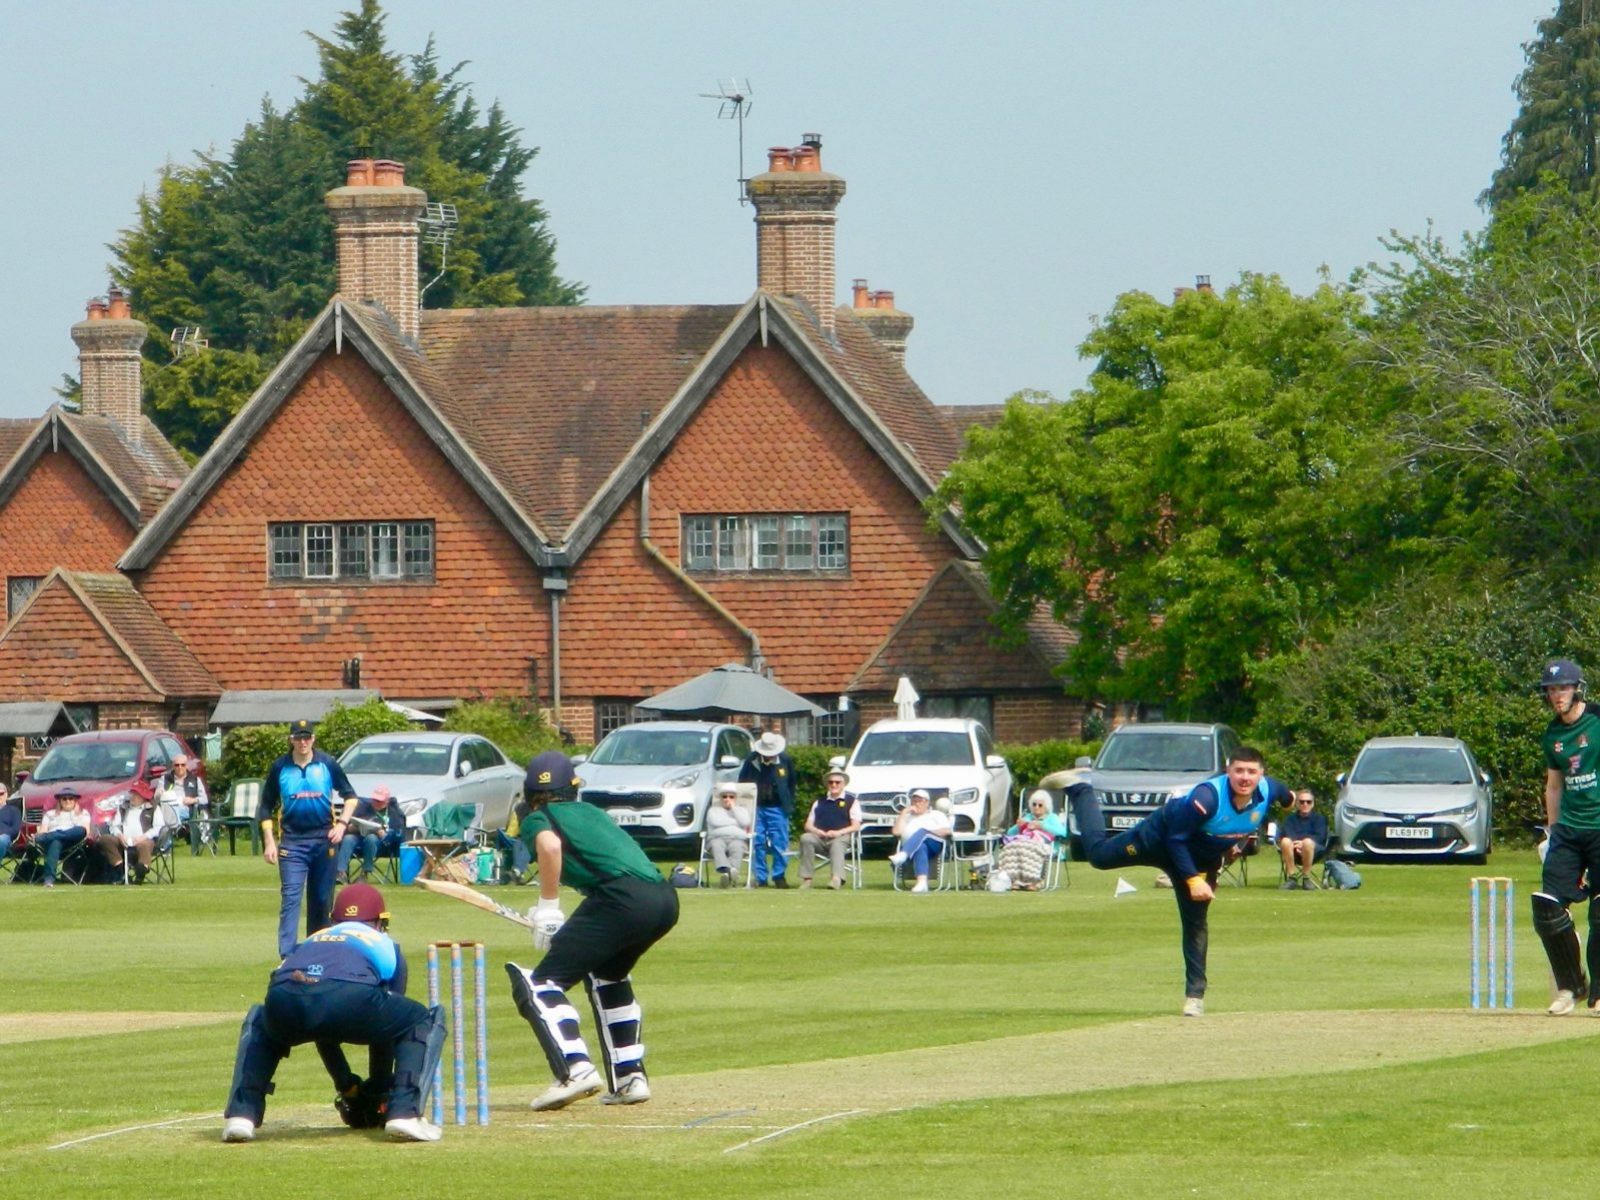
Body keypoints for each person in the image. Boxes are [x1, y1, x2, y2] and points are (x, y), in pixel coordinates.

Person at [507, 750, 679, 1110]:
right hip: (663, 899)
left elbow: (550, 846)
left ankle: (576, 1070)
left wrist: (549, 906)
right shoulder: (590, 813)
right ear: (573, 787)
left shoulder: (539, 818)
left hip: (620, 899)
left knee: (541, 983)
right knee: (606, 976)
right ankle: (630, 1077)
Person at [1067, 746, 1293, 1016]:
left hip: (1197, 857)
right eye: (1239, 771)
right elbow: (1176, 839)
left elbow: (1287, 798)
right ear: (1228, 770)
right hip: (1159, 840)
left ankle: (1194, 997)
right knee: (1099, 857)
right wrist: (1193, 880)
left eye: (1252, 772)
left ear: (1261, 774)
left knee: (1196, 922)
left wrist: (1290, 801)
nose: (1245, 778)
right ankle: (1081, 788)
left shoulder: (1269, 790)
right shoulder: (1207, 797)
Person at [221, 881, 445, 1143]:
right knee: (421, 1019)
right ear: (379, 922)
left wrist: (347, 1086)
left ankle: (241, 1115)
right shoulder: (384, 943)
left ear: (334, 920)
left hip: (285, 995)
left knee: (259, 1019)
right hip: (349, 995)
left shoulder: (311, 941)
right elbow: (387, 1028)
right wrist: (381, 1087)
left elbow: (320, 1026)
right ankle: (405, 1113)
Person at [1531, 658, 1600, 1016]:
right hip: (1569, 830)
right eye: (1552, 690)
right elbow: (1555, 785)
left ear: (1577, 689)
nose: (1557, 696)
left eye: (1563, 688)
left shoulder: (1598, 721)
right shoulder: (1553, 735)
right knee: (1546, 907)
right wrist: (1551, 831)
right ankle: (1571, 985)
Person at [259, 719, 360, 957]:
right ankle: (287, 956)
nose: (302, 742)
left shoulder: (327, 764)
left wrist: (342, 825)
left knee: (322, 899)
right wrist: (269, 841)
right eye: (298, 738)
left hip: (324, 839)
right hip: (292, 842)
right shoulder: (280, 767)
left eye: (307, 737)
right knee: (291, 898)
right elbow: (265, 806)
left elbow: (351, 797)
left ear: (313, 739)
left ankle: (318, 953)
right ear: (291, 740)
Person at [739, 731, 796, 887]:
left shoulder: (785, 760)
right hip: (756, 808)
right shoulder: (751, 761)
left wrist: (788, 802)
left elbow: (791, 783)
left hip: (778, 808)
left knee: (780, 843)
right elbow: (742, 783)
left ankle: (779, 876)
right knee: (757, 843)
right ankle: (761, 877)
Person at [798, 768, 861, 890]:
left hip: (841, 837)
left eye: (837, 782)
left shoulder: (852, 801)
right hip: (820, 837)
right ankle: (807, 879)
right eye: (831, 782)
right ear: (827, 784)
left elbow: (856, 826)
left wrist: (838, 832)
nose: (834, 785)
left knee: (837, 843)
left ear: (843, 784)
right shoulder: (819, 802)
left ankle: (836, 879)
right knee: (806, 838)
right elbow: (808, 825)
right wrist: (817, 831)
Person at [997, 790, 1067, 890]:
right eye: (1034, 804)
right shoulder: (1028, 817)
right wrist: (1018, 826)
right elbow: (1009, 833)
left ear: (1046, 806)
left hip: (1048, 846)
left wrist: (1042, 826)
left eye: (1040, 805)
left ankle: (1033, 881)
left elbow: (1062, 833)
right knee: (1010, 847)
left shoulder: (1052, 818)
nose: (1036, 807)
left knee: (1030, 849)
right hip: (1025, 843)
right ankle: (1015, 879)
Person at [335, 786, 407, 881]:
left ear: (387, 801)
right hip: (359, 839)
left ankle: (365, 873)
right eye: (374, 800)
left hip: (383, 844)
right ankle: (340, 872)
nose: (376, 803)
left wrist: (383, 834)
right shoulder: (362, 807)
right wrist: (351, 828)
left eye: (379, 801)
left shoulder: (394, 812)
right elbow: (347, 826)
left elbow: (397, 833)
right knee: (348, 838)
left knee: (371, 838)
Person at [888, 788, 952, 893]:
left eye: (920, 801)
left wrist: (929, 831)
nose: (916, 803)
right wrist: (904, 813)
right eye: (914, 801)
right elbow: (897, 832)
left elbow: (947, 831)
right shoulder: (907, 817)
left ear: (927, 802)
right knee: (920, 847)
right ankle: (922, 883)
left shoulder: (936, 814)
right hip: (916, 848)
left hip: (934, 844)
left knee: (923, 831)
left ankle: (903, 855)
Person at [99, 791, 171, 882]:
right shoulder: (123, 808)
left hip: (144, 839)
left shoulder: (154, 809)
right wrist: (120, 835)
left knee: (144, 845)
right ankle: (121, 869)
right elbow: (114, 826)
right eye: (131, 794)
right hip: (124, 840)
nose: (132, 797)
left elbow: (158, 827)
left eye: (135, 795)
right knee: (105, 839)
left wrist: (143, 837)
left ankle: (141, 871)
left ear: (143, 797)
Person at [33, 788, 92, 888]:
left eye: (71, 798)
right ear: (59, 801)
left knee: (80, 830)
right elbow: (43, 831)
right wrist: (41, 835)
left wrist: (47, 836)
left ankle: (55, 835)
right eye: (64, 799)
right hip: (53, 844)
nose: (68, 801)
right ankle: (49, 879)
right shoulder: (50, 814)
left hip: (73, 842)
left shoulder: (83, 813)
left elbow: (86, 831)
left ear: (75, 801)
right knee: (55, 842)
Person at [1275, 789, 1328, 890]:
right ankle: (1292, 878)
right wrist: (1299, 845)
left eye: (1308, 802)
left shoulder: (1320, 819)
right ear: (1297, 804)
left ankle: (1306, 878)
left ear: (1313, 804)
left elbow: (1321, 837)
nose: (1305, 804)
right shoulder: (1290, 819)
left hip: (1314, 851)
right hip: (1293, 851)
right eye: (1302, 802)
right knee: (1285, 841)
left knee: (1308, 842)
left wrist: (1304, 844)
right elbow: (1287, 834)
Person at [704, 782, 752, 888]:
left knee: (738, 847)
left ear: (735, 798)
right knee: (717, 845)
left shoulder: (741, 810)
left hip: (738, 839)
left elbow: (745, 822)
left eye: (731, 797)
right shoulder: (713, 810)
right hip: (717, 838)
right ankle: (729, 871)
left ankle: (727, 875)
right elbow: (715, 822)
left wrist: (734, 809)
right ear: (720, 798)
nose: (727, 799)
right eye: (724, 796)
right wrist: (735, 822)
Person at [0, 784, 19, 865]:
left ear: (6, 795)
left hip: (5, 838)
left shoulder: (13, 810)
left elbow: (16, 829)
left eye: (1, 794)